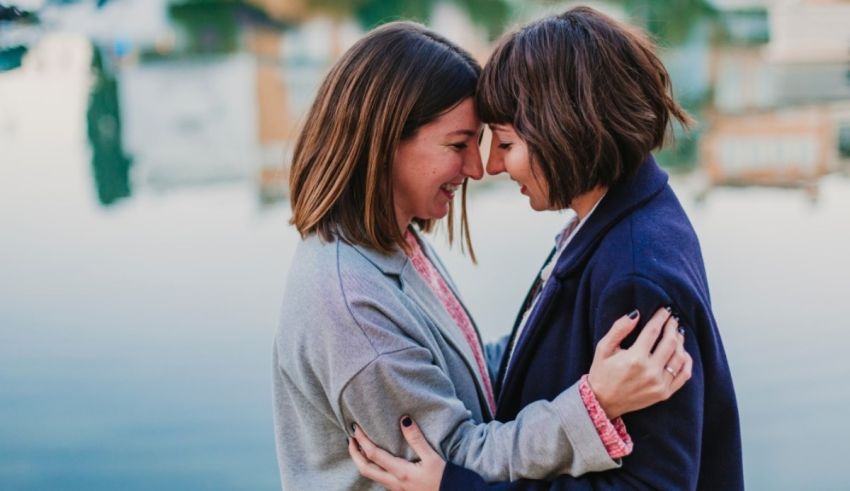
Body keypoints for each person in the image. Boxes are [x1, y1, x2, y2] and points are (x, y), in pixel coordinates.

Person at [273, 20, 691, 491]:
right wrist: (594, 403)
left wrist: (564, 333)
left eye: (491, 142)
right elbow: (454, 461)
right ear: (386, 141)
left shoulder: (390, 243)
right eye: (459, 145)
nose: (478, 168)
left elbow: (459, 372)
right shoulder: (350, 306)